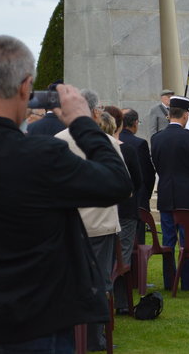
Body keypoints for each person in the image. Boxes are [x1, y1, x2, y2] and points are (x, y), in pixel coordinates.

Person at [0, 35, 132, 352]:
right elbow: (116, 183)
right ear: (25, 88)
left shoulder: (39, 153)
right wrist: (82, 122)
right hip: (33, 320)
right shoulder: (40, 157)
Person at [55, 91, 126, 352]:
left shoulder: (58, 140)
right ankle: (95, 338)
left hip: (69, 221)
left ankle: (72, 335)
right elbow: (122, 185)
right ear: (95, 113)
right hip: (99, 222)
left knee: (70, 279)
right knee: (100, 281)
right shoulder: (107, 142)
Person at [151, 96, 189, 291]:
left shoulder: (157, 138)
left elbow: (157, 164)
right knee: (187, 241)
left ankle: (169, 281)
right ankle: (187, 282)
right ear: (185, 115)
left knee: (168, 241)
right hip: (188, 196)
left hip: (166, 193)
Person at [102, 106, 143, 315]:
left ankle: (116, 301)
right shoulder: (125, 149)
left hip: (109, 208)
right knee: (122, 256)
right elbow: (137, 180)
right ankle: (119, 302)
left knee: (111, 256)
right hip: (123, 208)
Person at [120, 108, 156, 243]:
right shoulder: (139, 144)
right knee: (137, 240)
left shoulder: (110, 141)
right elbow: (147, 173)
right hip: (136, 198)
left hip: (117, 197)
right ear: (135, 123)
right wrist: (146, 195)